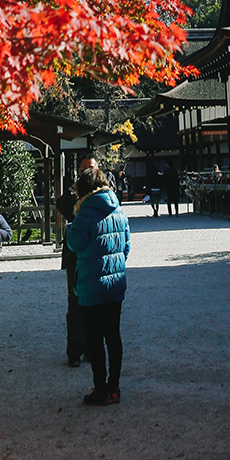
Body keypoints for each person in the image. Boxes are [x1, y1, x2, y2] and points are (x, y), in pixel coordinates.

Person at [66, 166, 130, 407]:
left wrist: (71, 226)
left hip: (92, 286)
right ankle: (114, 388)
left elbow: (74, 244)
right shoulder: (118, 210)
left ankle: (100, 388)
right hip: (115, 285)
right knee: (113, 336)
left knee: (94, 339)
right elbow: (126, 248)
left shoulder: (85, 213)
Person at [57, 181, 86, 368]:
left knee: (96, 306)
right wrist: (72, 190)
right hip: (74, 257)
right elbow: (61, 204)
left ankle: (92, 348)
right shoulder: (72, 199)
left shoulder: (101, 198)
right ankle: (74, 351)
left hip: (93, 255)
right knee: (74, 303)